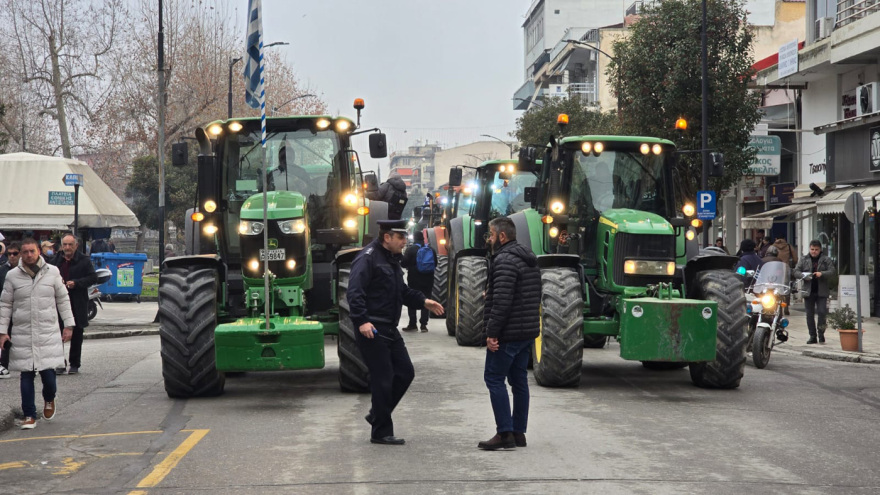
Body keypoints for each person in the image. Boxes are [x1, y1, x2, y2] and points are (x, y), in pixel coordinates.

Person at [347, 219, 444, 445]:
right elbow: (354, 292)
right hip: (372, 327)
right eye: (400, 238)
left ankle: (377, 414)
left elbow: (402, 291)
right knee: (383, 379)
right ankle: (381, 432)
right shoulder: (368, 258)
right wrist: (362, 321)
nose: (404, 242)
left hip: (389, 327)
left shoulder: (391, 260)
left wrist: (424, 301)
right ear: (387, 237)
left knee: (406, 372)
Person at [478, 216, 541, 451]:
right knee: (519, 382)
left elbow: (503, 301)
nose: (489, 239)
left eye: (491, 235)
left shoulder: (504, 260)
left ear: (502, 236)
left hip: (508, 333)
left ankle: (504, 433)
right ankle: (518, 432)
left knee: (494, 378)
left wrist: (492, 333)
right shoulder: (527, 258)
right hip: (526, 332)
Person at [0, 237, 75, 430]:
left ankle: (49, 399)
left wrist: (68, 325)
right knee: (26, 375)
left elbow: (63, 299)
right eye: (24, 252)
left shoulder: (52, 272)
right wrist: (2, 332)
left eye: (32, 251)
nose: (28, 255)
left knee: (48, 374)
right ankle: (29, 415)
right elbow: (5, 304)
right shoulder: (12, 276)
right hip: (23, 331)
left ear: (38, 251)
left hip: (47, 331)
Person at [51, 234, 97, 375]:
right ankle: (59, 363)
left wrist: (76, 283)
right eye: (65, 244)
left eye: (70, 244)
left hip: (77, 301)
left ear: (76, 245)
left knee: (77, 333)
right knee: (57, 333)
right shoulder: (55, 261)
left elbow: (92, 277)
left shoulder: (84, 261)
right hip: (58, 302)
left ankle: (75, 363)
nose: (67, 248)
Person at [794, 240, 836, 344]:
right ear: (810, 249)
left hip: (821, 291)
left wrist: (822, 274)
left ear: (820, 249)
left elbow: (832, 271)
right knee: (809, 314)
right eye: (812, 249)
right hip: (808, 291)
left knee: (822, 313)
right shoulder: (804, 259)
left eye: (816, 250)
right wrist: (804, 275)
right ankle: (812, 336)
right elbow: (796, 271)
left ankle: (821, 334)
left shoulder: (826, 259)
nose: (814, 251)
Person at [400, 228, 436, 332]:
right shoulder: (431, 249)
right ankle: (423, 325)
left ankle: (412, 324)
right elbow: (436, 264)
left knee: (412, 300)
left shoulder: (411, 249)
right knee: (427, 300)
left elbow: (403, 263)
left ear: (414, 238)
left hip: (414, 279)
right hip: (428, 279)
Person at [0, 242, 21, 379]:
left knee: (22, 337)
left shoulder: (25, 270)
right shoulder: (2, 270)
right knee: (5, 335)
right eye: (9, 254)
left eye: (15, 253)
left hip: (21, 309)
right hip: (6, 308)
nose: (11, 256)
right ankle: (4, 365)